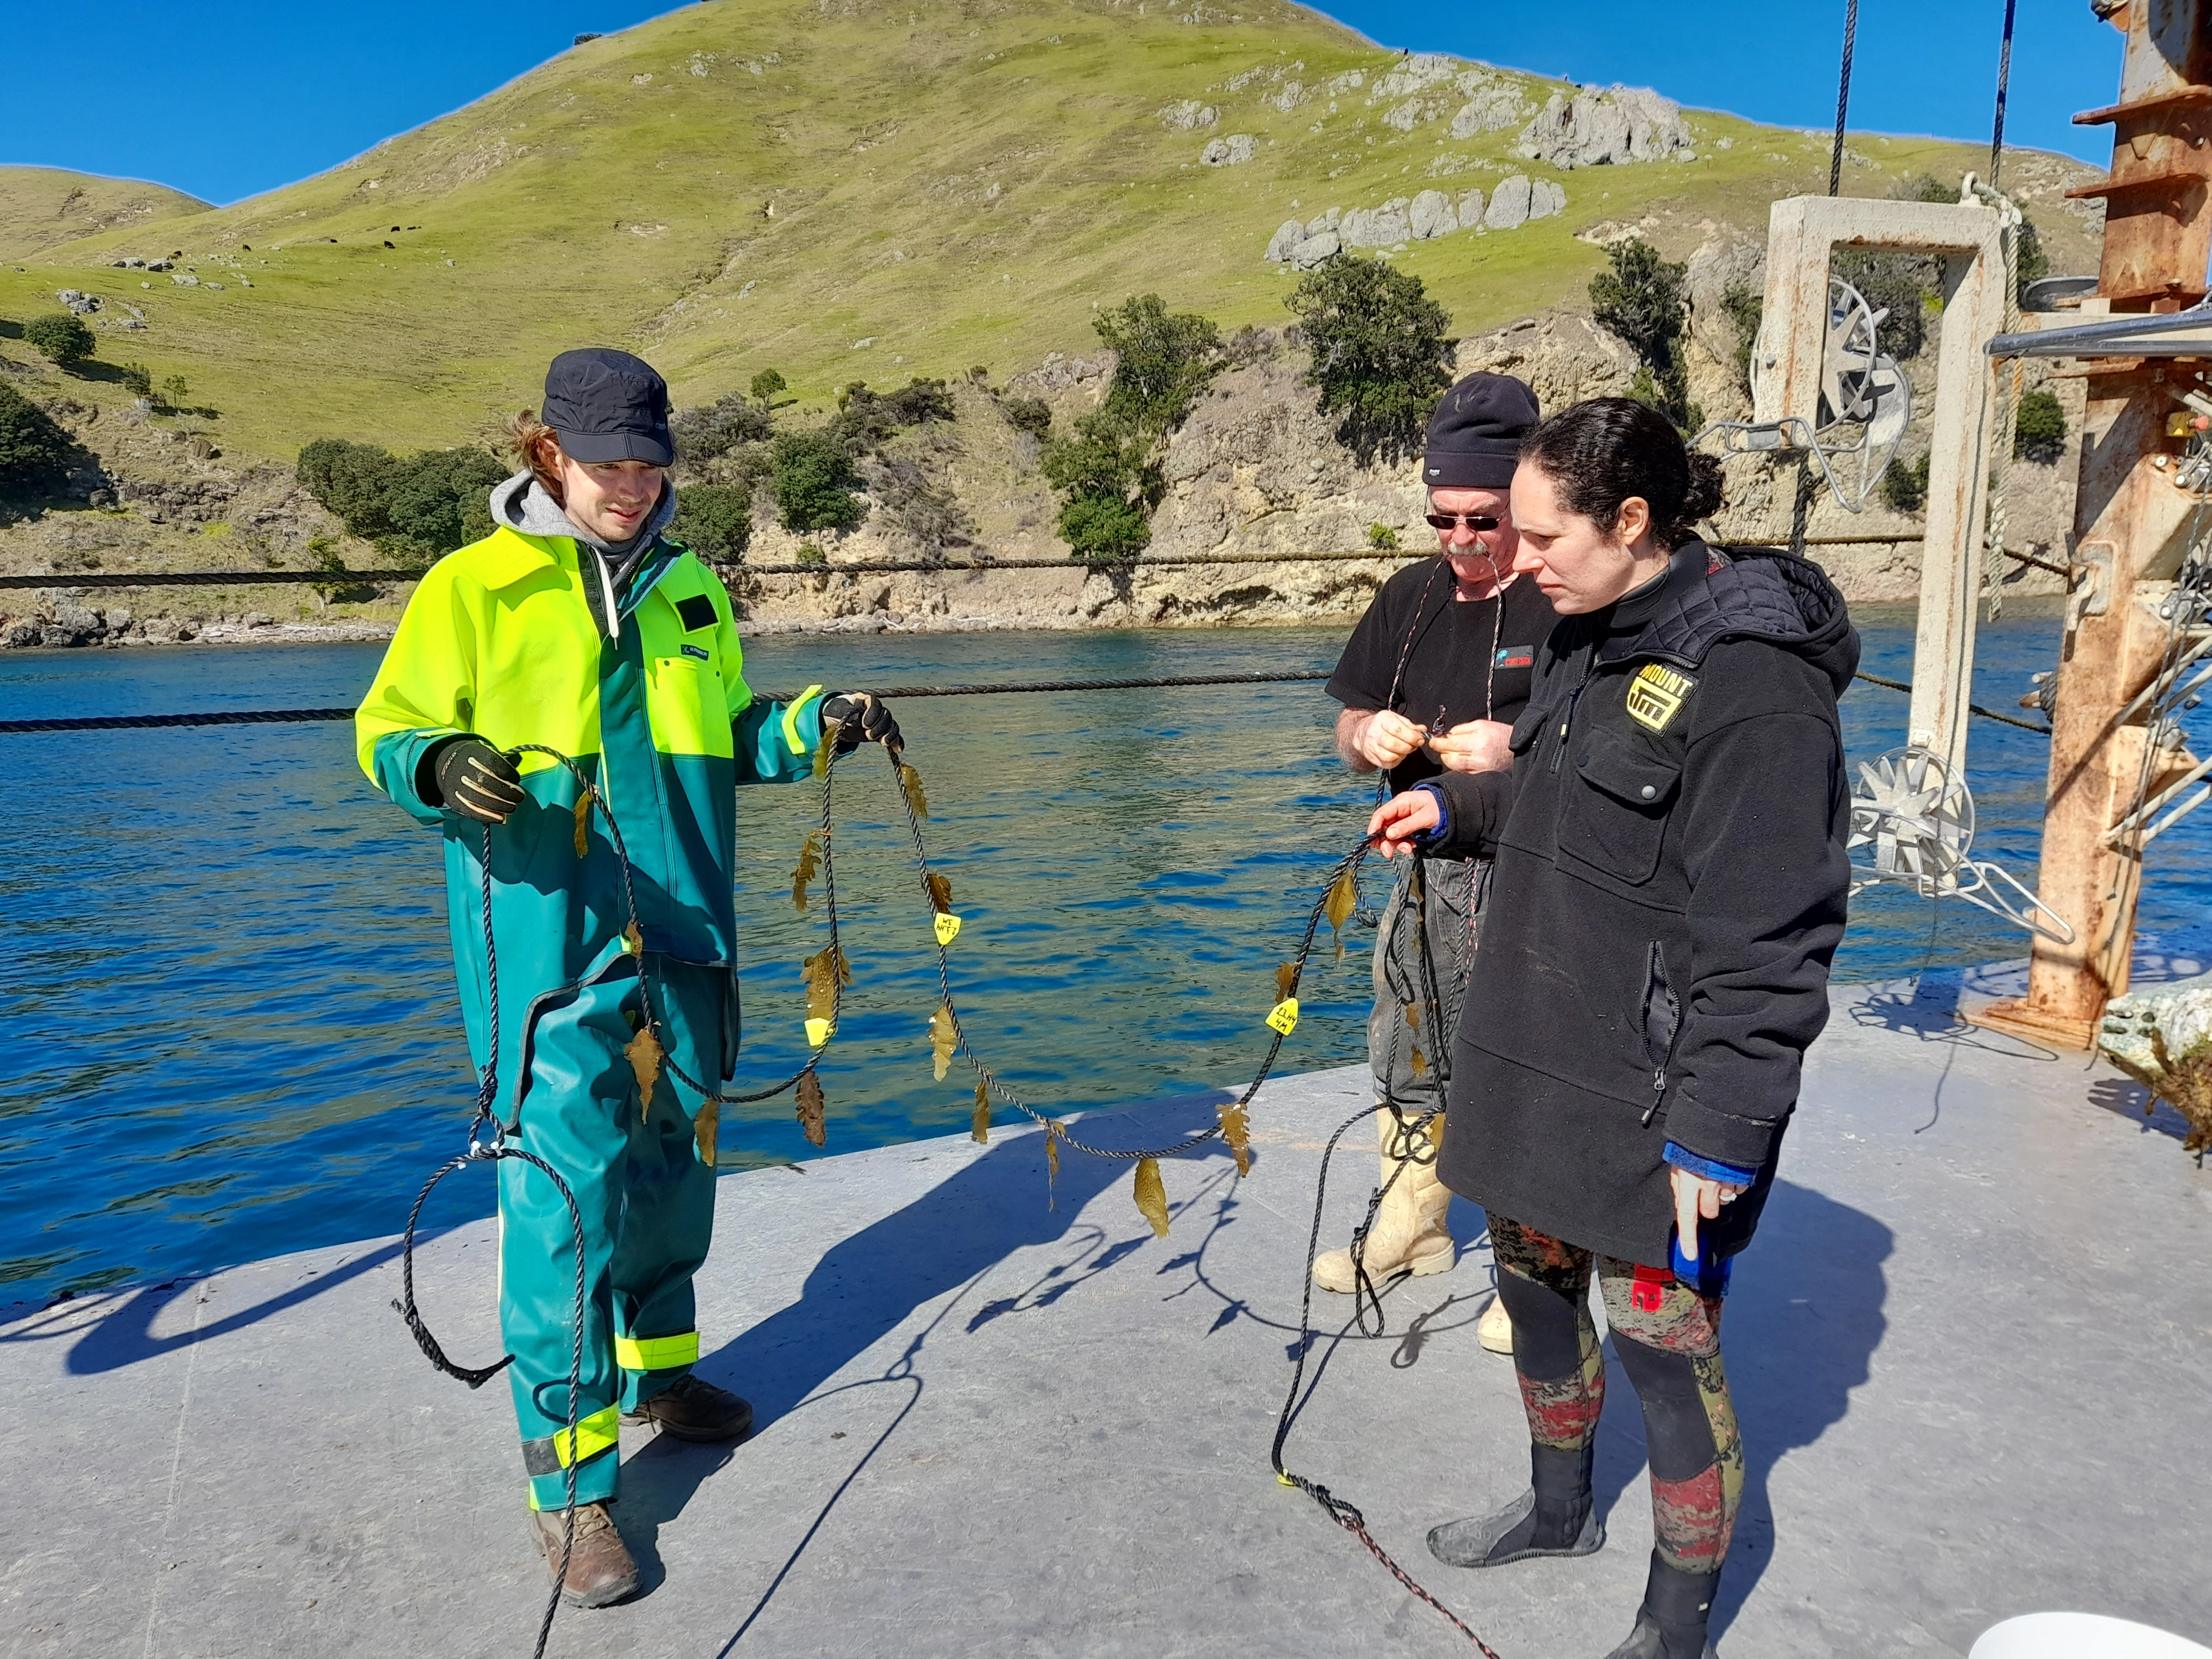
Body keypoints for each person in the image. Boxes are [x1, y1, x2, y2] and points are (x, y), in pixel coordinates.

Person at [355, 348, 900, 1608]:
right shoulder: (472, 587)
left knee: (668, 1174)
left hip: (685, 940)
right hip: (551, 956)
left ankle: (661, 1377)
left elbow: (728, 738)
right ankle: (570, 1492)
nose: (635, 488)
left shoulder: (690, 587)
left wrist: (812, 721)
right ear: (548, 452)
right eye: (610, 465)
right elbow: (384, 732)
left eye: (652, 468)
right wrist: (440, 766)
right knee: (565, 1209)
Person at [1366, 398, 1856, 1658]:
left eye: (1538, 539)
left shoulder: (1755, 685)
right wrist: (1459, 810)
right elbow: (1561, 791)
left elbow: (1773, 930)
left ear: (1630, 520)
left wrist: (1722, 1133)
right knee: (1532, 1297)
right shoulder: (1586, 629)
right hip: (1533, 1054)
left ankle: (1671, 1625)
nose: (1513, 566)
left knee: (1660, 1348)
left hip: (1657, 1097)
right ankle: (1555, 1510)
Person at [1317, 372, 1556, 1357]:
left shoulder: (1565, 595)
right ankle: (1413, 1225)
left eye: (1483, 522)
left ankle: (1532, 1271)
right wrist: (1366, 734)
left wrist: (1519, 746)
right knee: (1406, 1046)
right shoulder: (1410, 594)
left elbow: (1610, 750)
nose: (1460, 542)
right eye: (1442, 520)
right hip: (1422, 875)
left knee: (1522, 1063)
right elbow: (1344, 722)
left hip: (1536, 878)